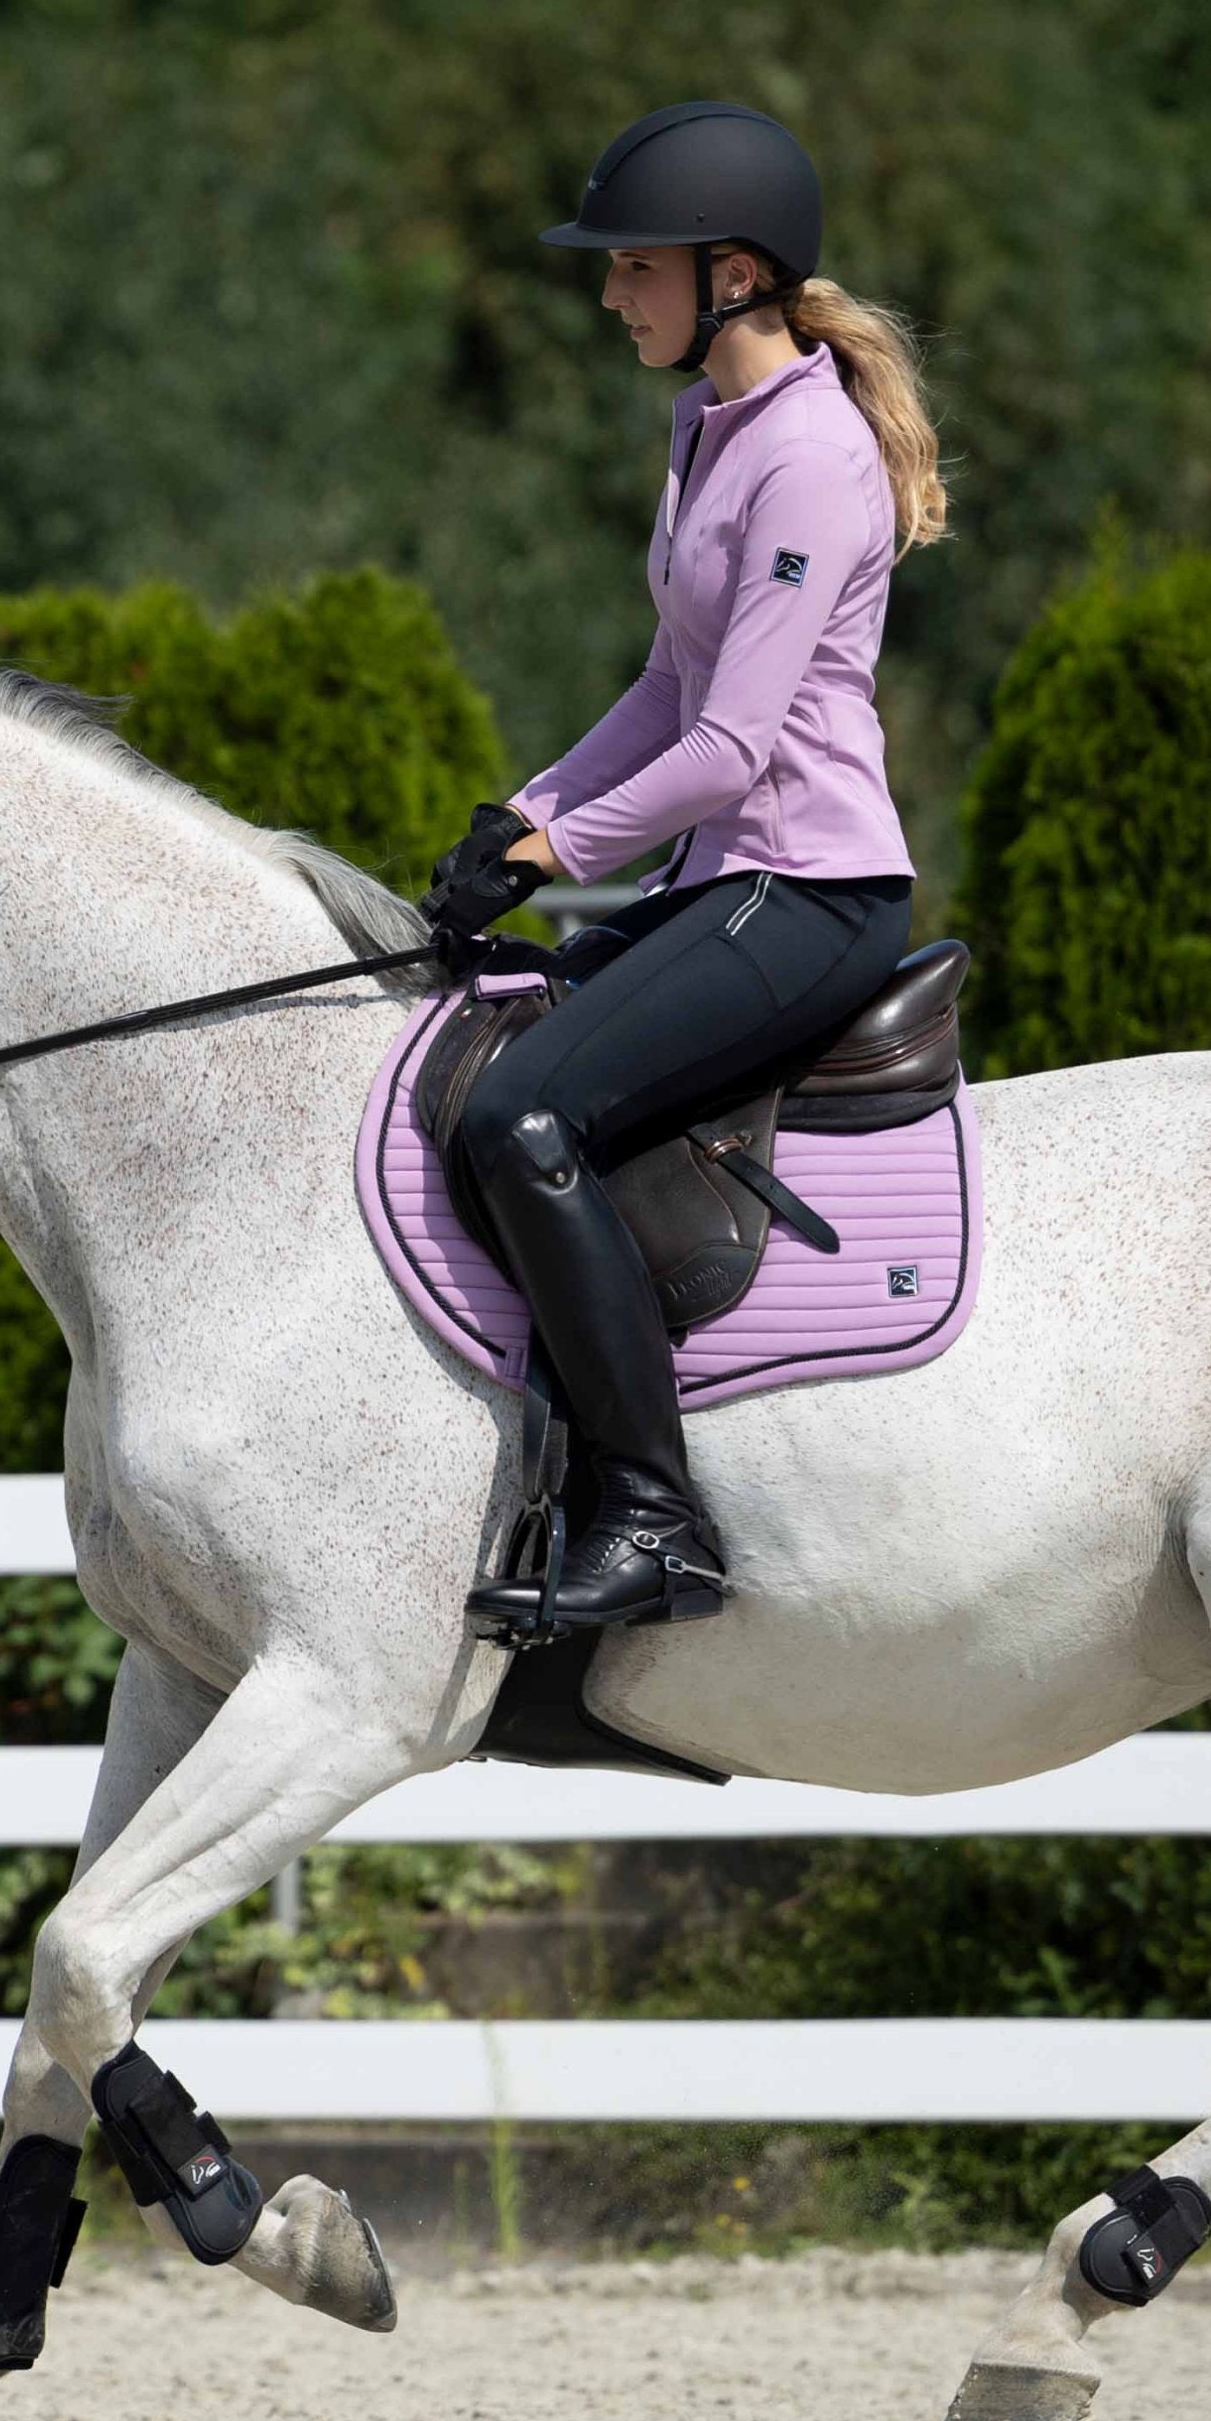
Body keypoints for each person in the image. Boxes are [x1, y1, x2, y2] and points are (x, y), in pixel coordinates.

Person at [420, 100, 946, 1637]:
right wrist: (513, 816)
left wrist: (557, 851)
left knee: (525, 1118)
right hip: (725, 887)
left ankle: (654, 1515)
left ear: (731, 272)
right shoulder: (704, 428)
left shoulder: (813, 461)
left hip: (816, 895)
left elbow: (727, 750)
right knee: (483, 1044)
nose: (608, 296)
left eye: (630, 268)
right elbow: (663, 688)